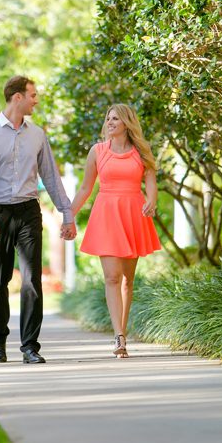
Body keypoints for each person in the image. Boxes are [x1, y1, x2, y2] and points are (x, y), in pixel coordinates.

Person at [0, 75, 76, 365]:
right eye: (32, 95)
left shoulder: (37, 135)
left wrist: (67, 214)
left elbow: (51, 178)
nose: (36, 100)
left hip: (28, 211)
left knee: (32, 280)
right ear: (17, 97)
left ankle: (30, 346)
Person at [71, 104, 161, 358]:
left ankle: (122, 330)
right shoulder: (97, 151)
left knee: (128, 280)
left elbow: (151, 183)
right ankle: (119, 337)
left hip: (133, 214)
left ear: (127, 123)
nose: (110, 122)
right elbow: (85, 188)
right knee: (112, 276)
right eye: (108, 118)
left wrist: (151, 201)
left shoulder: (141, 153)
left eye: (115, 119)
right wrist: (68, 215)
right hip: (107, 215)